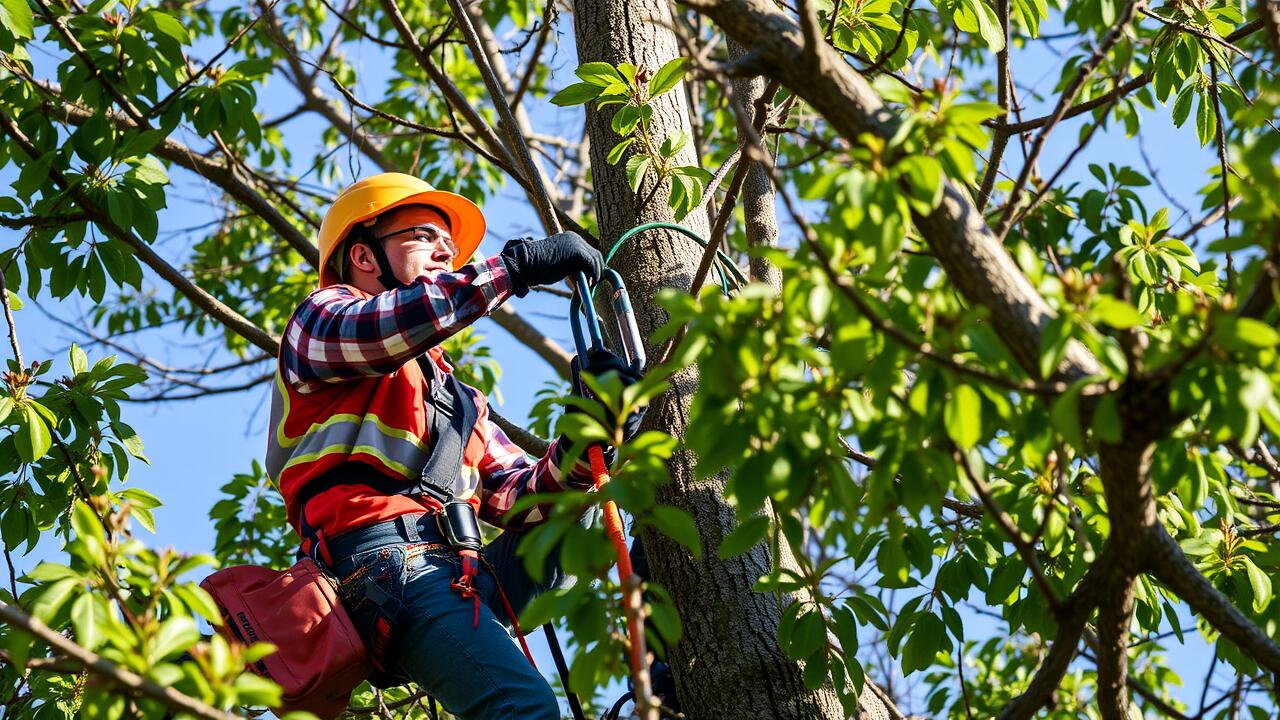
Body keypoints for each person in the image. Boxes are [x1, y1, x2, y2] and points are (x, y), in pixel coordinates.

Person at [264, 172, 637, 719]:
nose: (447, 250)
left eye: (451, 242)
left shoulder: (457, 400)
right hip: (382, 566)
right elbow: (391, 326)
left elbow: (523, 496)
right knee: (524, 707)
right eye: (423, 235)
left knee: (583, 518)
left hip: (460, 570)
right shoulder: (319, 323)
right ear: (365, 256)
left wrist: (591, 431)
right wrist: (516, 268)